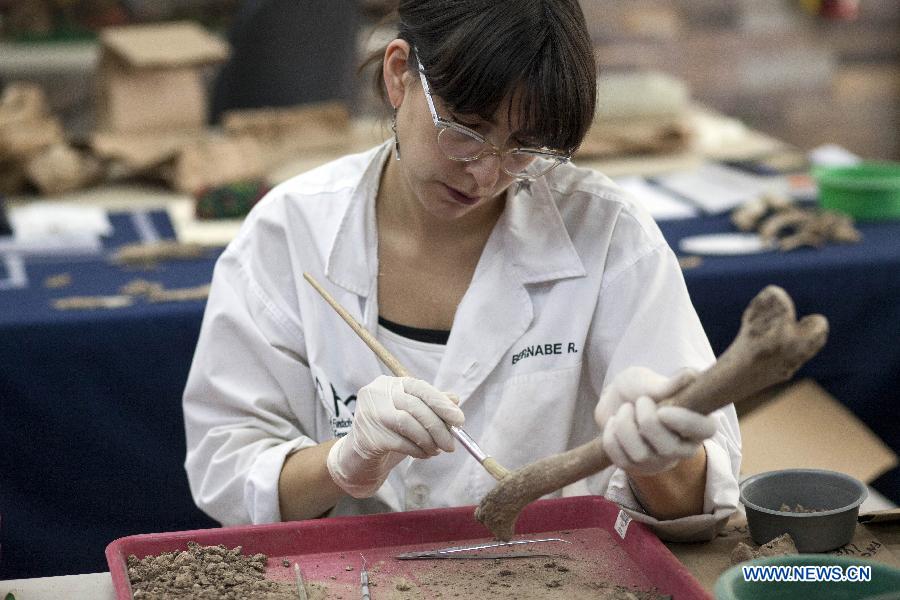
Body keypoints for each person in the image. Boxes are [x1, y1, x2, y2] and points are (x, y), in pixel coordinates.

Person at [183, 0, 741, 542]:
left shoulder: (609, 237)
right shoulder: (291, 233)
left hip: (550, 576)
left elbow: (703, 505)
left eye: (524, 149)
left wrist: (660, 459)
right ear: (399, 75)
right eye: (467, 131)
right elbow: (227, 468)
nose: (485, 174)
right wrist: (345, 463)